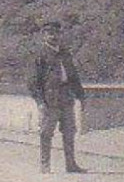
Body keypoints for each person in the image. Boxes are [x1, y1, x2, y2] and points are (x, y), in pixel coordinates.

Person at [30, 21, 86, 174]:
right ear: (44, 35)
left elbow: (73, 76)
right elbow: (34, 82)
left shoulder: (65, 54)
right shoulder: (40, 55)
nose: (54, 36)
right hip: (50, 99)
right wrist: (40, 102)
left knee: (69, 132)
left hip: (67, 97)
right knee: (46, 132)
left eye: (56, 33)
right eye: (50, 33)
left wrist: (80, 95)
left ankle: (71, 164)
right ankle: (45, 164)